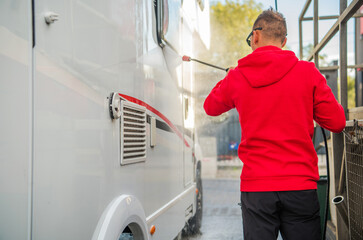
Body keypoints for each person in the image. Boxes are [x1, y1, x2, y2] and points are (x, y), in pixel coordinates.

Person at [203, 8, 346, 240]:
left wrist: (228, 77)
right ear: (284, 41)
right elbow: (337, 122)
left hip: (257, 188)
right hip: (300, 186)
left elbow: (210, 106)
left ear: (255, 36)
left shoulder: (237, 76)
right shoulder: (307, 72)